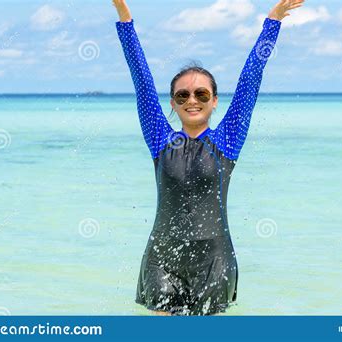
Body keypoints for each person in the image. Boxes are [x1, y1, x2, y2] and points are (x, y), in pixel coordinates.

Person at [112, 0, 304, 316]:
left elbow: (250, 80)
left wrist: (273, 21)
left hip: (214, 262)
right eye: (182, 95)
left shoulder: (227, 140)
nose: (192, 100)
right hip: (163, 260)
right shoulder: (161, 139)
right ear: (172, 104)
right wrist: (123, 15)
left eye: (201, 94)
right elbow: (141, 78)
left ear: (214, 102)